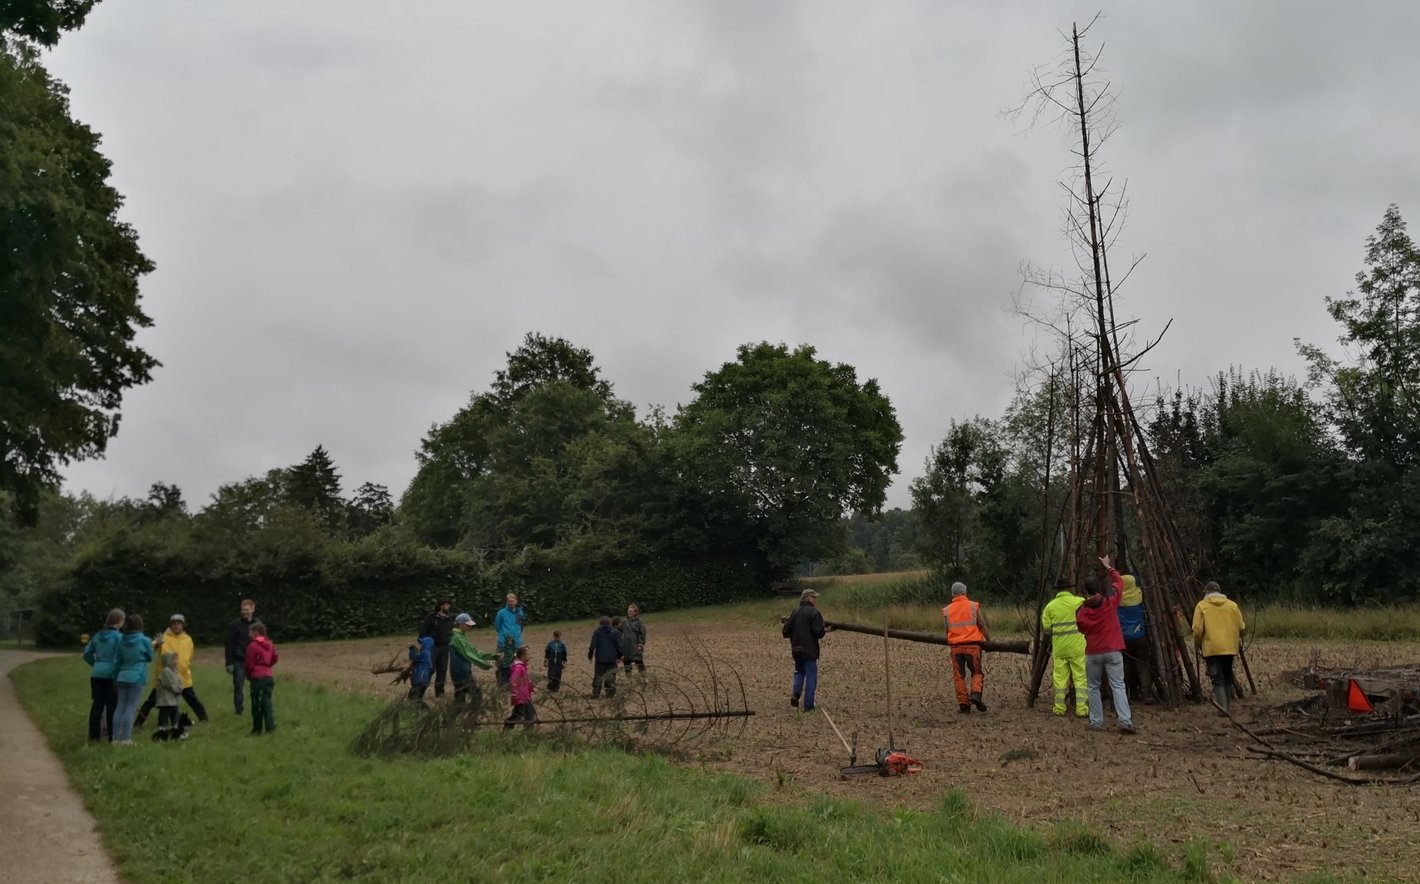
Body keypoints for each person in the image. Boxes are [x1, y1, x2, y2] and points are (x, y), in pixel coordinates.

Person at [1076, 556, 1135, 734]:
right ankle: (1124, 720)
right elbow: (1119, 582)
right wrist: (1108, 567)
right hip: (1113, 649)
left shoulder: (1082, 611)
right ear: (1099, 589)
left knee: (1093, 687)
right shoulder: (1110, 602)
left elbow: (1081, 628)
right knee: (1118, 685)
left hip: (1093, 652)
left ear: (1085, 591)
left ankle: (1096, 722)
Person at [135, 614, 208, 727]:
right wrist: (157, 644)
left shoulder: (188, 639)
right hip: (164, 679)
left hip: (183, 678)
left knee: (193, 700)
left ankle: (204, 719)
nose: (176, 626)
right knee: (151, 701)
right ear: (171, 625)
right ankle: (138, 723)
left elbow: (190, 656)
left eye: (179, 624)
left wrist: (185, 667)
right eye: (174, 624)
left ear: (183, 625)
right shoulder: (164, 637)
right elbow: (151, 648)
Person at [1192, 581, 1246, 715]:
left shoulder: (1202, 606)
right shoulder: (1232, 606)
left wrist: (1197, 643)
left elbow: (1197, 630)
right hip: (1230, 648)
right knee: (1227, 676)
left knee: (1217, 678)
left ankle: (1224, 708)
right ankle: (1227, 706)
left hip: (1212, 648)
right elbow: (1241, 626)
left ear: (1206, 592)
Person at [1041, 576, 1088, 718]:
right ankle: (1082, 709)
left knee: (1060, 679)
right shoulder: (1080, 602)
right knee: (1080, 677)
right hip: (1078, 647)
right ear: (1070, 588)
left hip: (1060, 647)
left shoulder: (1050, 606)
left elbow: (1047, 628)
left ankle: (1059, 707)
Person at [942, 582, 990, 714]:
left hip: (956, 647)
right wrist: (989, 640)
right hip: (972, 647)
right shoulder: (973, 606)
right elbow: (982, 625)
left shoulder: (947, 610)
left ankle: (964, 704)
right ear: (964, 592)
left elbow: (947, 630)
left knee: (959, 676)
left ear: (953, 594)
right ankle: (975, 694)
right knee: (976, 672)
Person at [82, 608, 125, 742]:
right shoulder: (119, 637)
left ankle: (93, 735)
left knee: (97, 705)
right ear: (119, 621)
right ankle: (112, 736)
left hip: (96, 674)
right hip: (111, 675)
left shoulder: (98, 635)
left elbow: (87, 654)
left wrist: (96, 664)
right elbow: (123, 656)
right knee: (112, 706)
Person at [782, 588, 827, 713]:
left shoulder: (795, 612)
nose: (815, 600)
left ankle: (795, 695)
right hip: (810, 651)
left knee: (799, 673)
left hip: (796, 650)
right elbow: (819, 632)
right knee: (811, 676)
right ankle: (808, 706)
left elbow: (785, 632)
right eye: (814, 597)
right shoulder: (814, 612)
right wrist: (824, 629)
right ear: (808, 598)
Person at [112, 614, 154, 745]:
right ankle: (125, 738)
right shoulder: (145, 640)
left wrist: (114, 678)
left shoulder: (121, 640)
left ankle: (115, 738)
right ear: (140, 625)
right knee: (130, 708)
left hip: (122, 675)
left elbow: (117, 660)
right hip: (137, 676)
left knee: (120, 707)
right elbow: (150, 657)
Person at [1117, 571, 1154, 703]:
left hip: (1124, 639)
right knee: (1143, 666)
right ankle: (1146, 694)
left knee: (1125, 666)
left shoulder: (1118, 599)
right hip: (1140, 636)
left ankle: (1126, 694)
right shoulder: (1139, 594)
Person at [449, 613, 497, 710]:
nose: (470, 627)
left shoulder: (461, 637)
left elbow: (474, 651)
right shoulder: (457, 638)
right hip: (461, 672)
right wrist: (485, 665)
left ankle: (448, 722)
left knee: (460, 699)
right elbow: (468, 654)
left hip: (462, 671)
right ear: (461, 624)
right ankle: (470, 720)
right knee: (476, 696)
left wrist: (492, 657)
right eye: (468, 625)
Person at [225, 599, 260, 716]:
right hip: (239, 661)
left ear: (253, 609)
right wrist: (229, 662)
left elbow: (263, 642)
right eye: (242, 609)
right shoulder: (234, 625)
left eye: (247, 609)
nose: (244, 612)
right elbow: (229, 644)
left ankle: (256, 706)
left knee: (256, 685)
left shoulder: (258, 625)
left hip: (254, 661)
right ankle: (239, 710)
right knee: (238, 687)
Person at [244, 622, 278, 735]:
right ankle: (270, 727)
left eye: (250, 632)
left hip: (257, 677)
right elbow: (275, 657)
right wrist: (267, 666)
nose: (249, 634)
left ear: (255, 632)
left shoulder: (252, 646)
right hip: (268, 676)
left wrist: (249, 675)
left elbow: (249, 664)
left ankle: (257, 729)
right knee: (267, 702)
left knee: (256, 704)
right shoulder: (270, 644)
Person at [419, 596, 456, 698]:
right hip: (432, 647)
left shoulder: (451, 618)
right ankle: (420, 691)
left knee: (442, 670)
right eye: (446, 604)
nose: (448, 606)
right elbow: (422, 632)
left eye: (449, 604)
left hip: (445, 647)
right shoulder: (431, 617)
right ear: (441, 605)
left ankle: (439, 693)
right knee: (430, 669)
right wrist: (423, 643)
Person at [493, 594, 525, 688]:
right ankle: (501, 683)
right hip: (504, 642)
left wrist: (517, 634)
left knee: (514, 663)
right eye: (509, 601)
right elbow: (497, 626)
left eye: (513, 600)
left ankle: (512, 683)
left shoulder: (520, 612)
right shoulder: (501, 613)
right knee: (501, 663)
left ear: (516, 601)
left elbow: (521, 625)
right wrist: (504, 633)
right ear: (507, 602)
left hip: (516, 642)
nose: (511, 602)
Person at [588, 616, 623, 699]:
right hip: (612, 658)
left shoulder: (597, 632)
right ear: (610, 623)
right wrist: (619, 656)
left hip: (600, 658)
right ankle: (610, 693)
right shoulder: (615, 632)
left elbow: (592, 646)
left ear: (600, 624)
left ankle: (596, 693)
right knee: (611, 675)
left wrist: (590, 655)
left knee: (598, 675)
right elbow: (619, 646)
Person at [504, 646, 538, 729]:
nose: (529, 656)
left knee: (523, 714)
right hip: (521, 697)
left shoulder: (522, 667)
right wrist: (515, 693)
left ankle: (509, 727)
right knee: (527, 714)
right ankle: (528, 731)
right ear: (523, 656)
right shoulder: (518, 667)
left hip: (524, 696)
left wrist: (532, 688)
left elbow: (525, 681)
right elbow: (513, 681)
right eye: (528, 654)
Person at [155, 652, 184, 739]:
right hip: (165, 699)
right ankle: (162, 729)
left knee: (175, 713)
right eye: (173, 659)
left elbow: (179, 680)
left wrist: (181, 687)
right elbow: (169, 683)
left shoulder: (175, 670)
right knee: (164, 713)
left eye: (176, 659)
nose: (176, 661)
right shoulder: (166, 671)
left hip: (173, 699)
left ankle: (176, 729)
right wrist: (176, 689)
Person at [621, 604, 647, 676]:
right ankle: (629, 680)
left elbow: (642, 634)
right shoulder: (624, 622)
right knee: (627, 664)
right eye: (628, 611)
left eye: (630, 611)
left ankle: (644, 678)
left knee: (639, 663)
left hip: (635, 646)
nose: (628, 612)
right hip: (626, 647)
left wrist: (640, 644)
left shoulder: (639, 622)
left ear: (635, 612)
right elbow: (618, 630)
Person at [407, 635, 434, 703]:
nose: (420, 645)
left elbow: (414, 658)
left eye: (421, 643)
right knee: (414, 698)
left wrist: (412, 648)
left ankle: (426, 711)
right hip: (421, 681)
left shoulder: (425, 653)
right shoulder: (426, 653)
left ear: (426, 645)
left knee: (415, 699)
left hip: (420, 681)